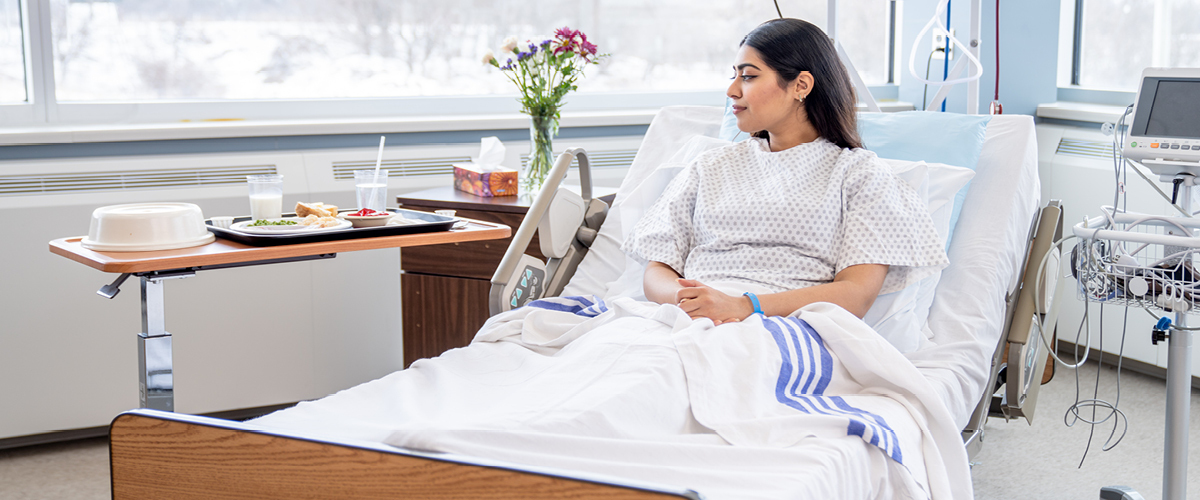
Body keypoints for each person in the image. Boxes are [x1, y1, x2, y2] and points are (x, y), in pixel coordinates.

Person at [623, 18, 948, 326]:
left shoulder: (858, 176)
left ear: (801, 85)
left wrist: (742, 307)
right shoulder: (709, 166)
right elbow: (658, 265)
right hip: (685, 318)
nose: (732, 90)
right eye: (734, 75)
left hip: (784, 325)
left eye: (748, 76)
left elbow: (856, 295)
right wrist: (693, 304)